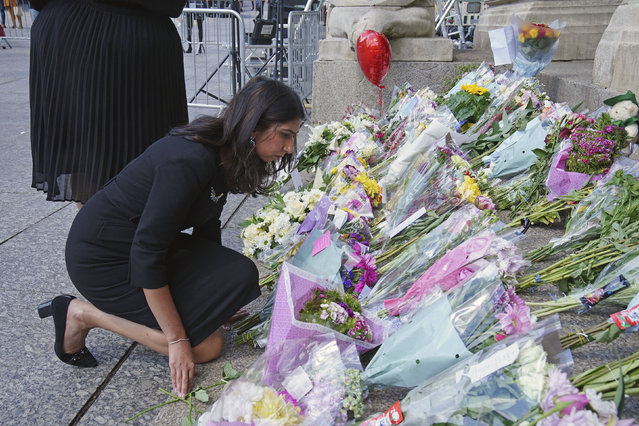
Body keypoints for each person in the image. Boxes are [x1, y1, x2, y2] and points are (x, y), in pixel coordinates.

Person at [37, 77, 305, 398]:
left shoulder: (222, 154)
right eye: (285, 135)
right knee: (207, 347)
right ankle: (81, 313)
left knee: (239, 277)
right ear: (253, 126)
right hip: (102, 258)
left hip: (138, 244)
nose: (290, 148)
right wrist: (177, 339)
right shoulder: (189, 160)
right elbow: (147, 252)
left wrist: (216, 293)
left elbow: (208, 223)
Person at [29, 0, 189, 205]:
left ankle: (100, 229)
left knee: (92, 150)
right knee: (89, 152)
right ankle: (98, 230)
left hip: (87, 29)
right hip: (101, 32)